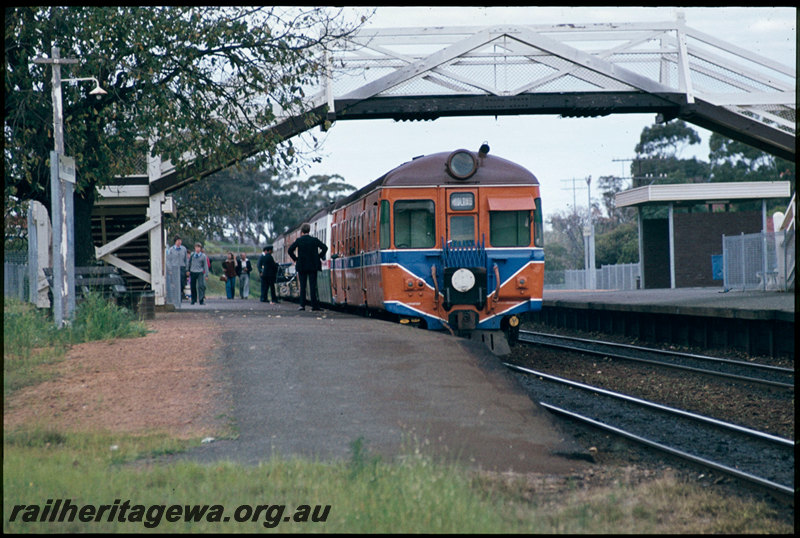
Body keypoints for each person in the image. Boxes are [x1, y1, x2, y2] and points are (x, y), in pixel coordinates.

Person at [288, 223, 327, 311]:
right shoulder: (314, 240)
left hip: (302, 266)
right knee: (313, 286)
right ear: (309, 230)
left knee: (303, 286)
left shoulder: (299, 240)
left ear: (302, 231)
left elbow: (290, 250)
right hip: (313, 266)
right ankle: (314, 306)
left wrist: (296, 259)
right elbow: (325, 248)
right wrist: (319, 256)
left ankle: (302, 305)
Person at [165, 235, 187, 308]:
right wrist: (170, 269)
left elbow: (186, 259)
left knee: (181, 283)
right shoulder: (171, 250)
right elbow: (168, 260)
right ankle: (177, 299)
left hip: (182, 267)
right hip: (174, 268)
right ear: (175, 241)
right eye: (178, 240)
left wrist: (187, 269)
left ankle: (180, 295)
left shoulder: (184, 249)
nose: (179, 242)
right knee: (175, 284)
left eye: (180, 240)